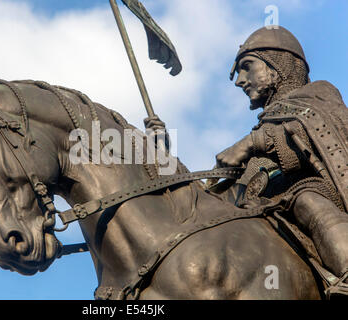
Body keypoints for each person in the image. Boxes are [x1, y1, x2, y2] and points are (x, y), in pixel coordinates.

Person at [145, 26, 348, 297]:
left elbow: (316, 132)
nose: (240, 80)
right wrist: (161, 152)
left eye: (247, 67)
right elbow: (206, 200)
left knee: (306, 199)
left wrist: (250, 143)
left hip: (316, 192)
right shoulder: (253, 152)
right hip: (256, 210)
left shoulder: (318, 94)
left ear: (277, 65)